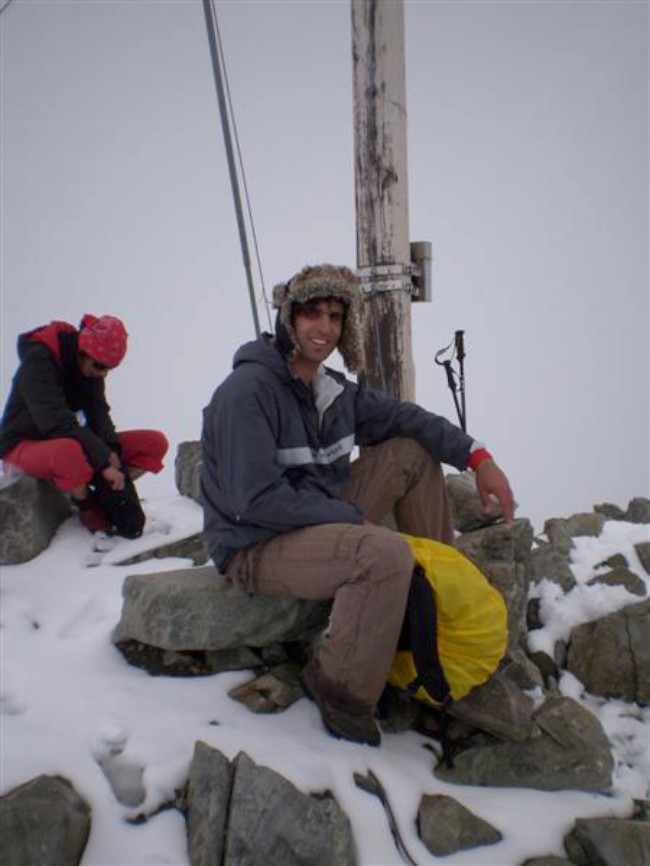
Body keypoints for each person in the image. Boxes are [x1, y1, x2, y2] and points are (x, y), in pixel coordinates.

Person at [201, 264, 514, 747]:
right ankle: (339, 687)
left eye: (334, 316)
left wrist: (478, 457)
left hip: (318, 520)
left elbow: (406, 417)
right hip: (256, 544)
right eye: (311, 313)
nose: (323, 327)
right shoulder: (249, 392)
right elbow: (253, 500)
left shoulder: (333, 392)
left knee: (410, 450)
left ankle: (430, 600)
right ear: (289, 317)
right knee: (383, 553)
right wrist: (350, 520)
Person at [0, 314, 168, 539]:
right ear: (83, 351)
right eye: (99, 366)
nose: (102, 374)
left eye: (109, 369)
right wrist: (102, 462)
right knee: (69, 450)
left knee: (153, 443)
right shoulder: (39, 360)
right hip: (22, 445)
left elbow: (99, 415)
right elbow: (55, 422)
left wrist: (112, 454)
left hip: (67, 441)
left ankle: (103, 494)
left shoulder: (90, 369)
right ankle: (87, 506)